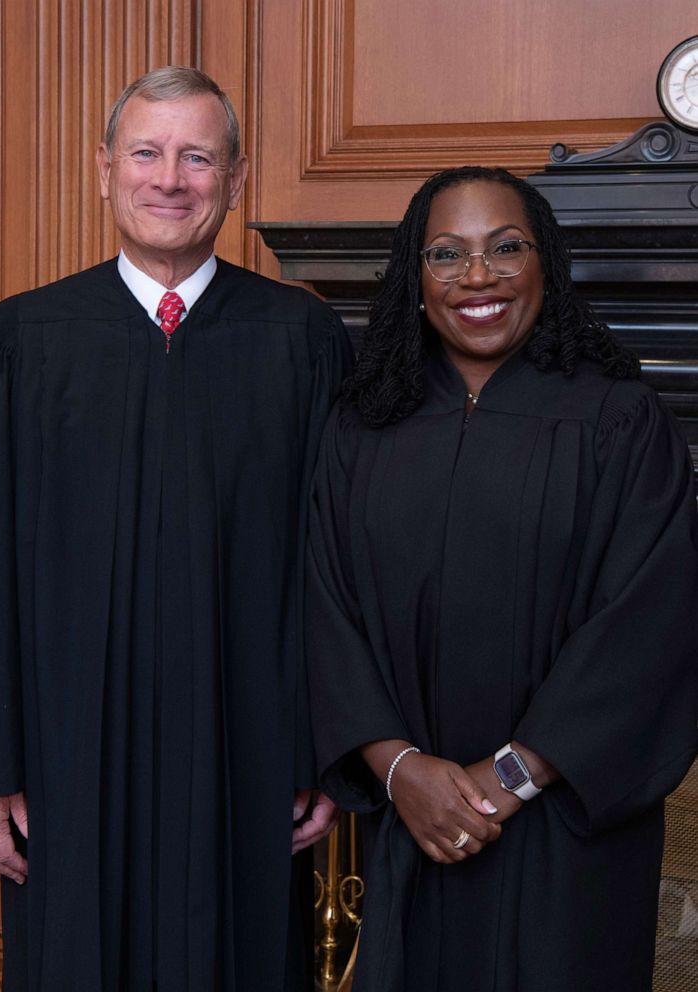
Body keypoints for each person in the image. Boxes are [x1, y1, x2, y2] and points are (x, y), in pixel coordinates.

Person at [0, 66, 348, 991]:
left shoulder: (302, 343)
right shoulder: (20, 343)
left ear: (236, 177)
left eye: (198, 156)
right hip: (65, 757)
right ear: (104, 169)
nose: (170, 178)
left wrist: (324, 752)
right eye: (146, 153)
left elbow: (341, 567)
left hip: (249, 752)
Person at [306, 166, 698, 992]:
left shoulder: (618, 421)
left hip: (565, 830)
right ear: (414, 279)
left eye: (505, 248)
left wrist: (510, 777)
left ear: (544, 266)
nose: (477, 277)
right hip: (409, 822)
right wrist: (399, 769)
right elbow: (321, 605)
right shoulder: (362, 429)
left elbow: (653, 627)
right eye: (446, 254)